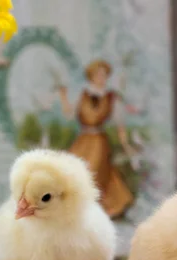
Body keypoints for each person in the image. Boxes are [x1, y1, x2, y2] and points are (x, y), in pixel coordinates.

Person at [58, 59, 138, 218]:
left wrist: (126, 144)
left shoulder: (110, 97)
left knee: (94, 171)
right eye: (98, 74)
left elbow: (119, 123)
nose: (101, 77)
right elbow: (69, 114)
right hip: (83, 139)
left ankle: (91, 212)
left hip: (99, 141)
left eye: (104, 74)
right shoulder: (83, 94)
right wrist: (63, 96)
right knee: (73, 171)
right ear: (91, 76)